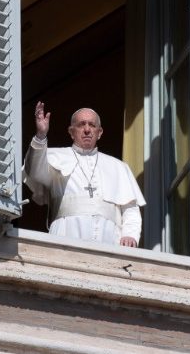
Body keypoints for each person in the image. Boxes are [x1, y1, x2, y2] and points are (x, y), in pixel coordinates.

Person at [23, 102, 145, 247]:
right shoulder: (54, 157)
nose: (87, 129)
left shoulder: (118, 167)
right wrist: (40, 136)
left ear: (99, 133)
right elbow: (34, 171)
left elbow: (130, 209)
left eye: (92, 125)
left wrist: (130, 235)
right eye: (81, 124)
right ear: (71, 132)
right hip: (65, 237)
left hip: (110, 241)